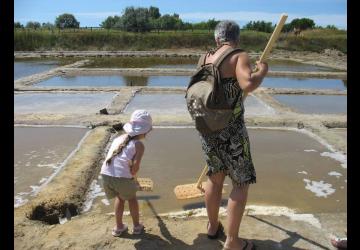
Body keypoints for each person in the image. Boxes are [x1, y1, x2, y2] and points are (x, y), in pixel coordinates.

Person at [197, 20, 268, 250]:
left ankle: (212, 226)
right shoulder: (239, 56)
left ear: (217, 38)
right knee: (240, 182)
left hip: (207, 129)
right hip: (232, 131)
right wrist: (262, 71)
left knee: (214, 177)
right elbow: (247, 83)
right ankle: (232, 241)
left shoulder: (205, 57)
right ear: (236, 38)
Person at [100, 109, 152, 237]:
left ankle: (118, 227)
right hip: (122, 178)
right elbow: (134, 169)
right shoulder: (139, 145)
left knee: (120, 198)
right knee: (132, 199)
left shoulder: (119, 139)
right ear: (145, 131)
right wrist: (134, 181)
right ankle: (136, 226)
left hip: (105, 176)